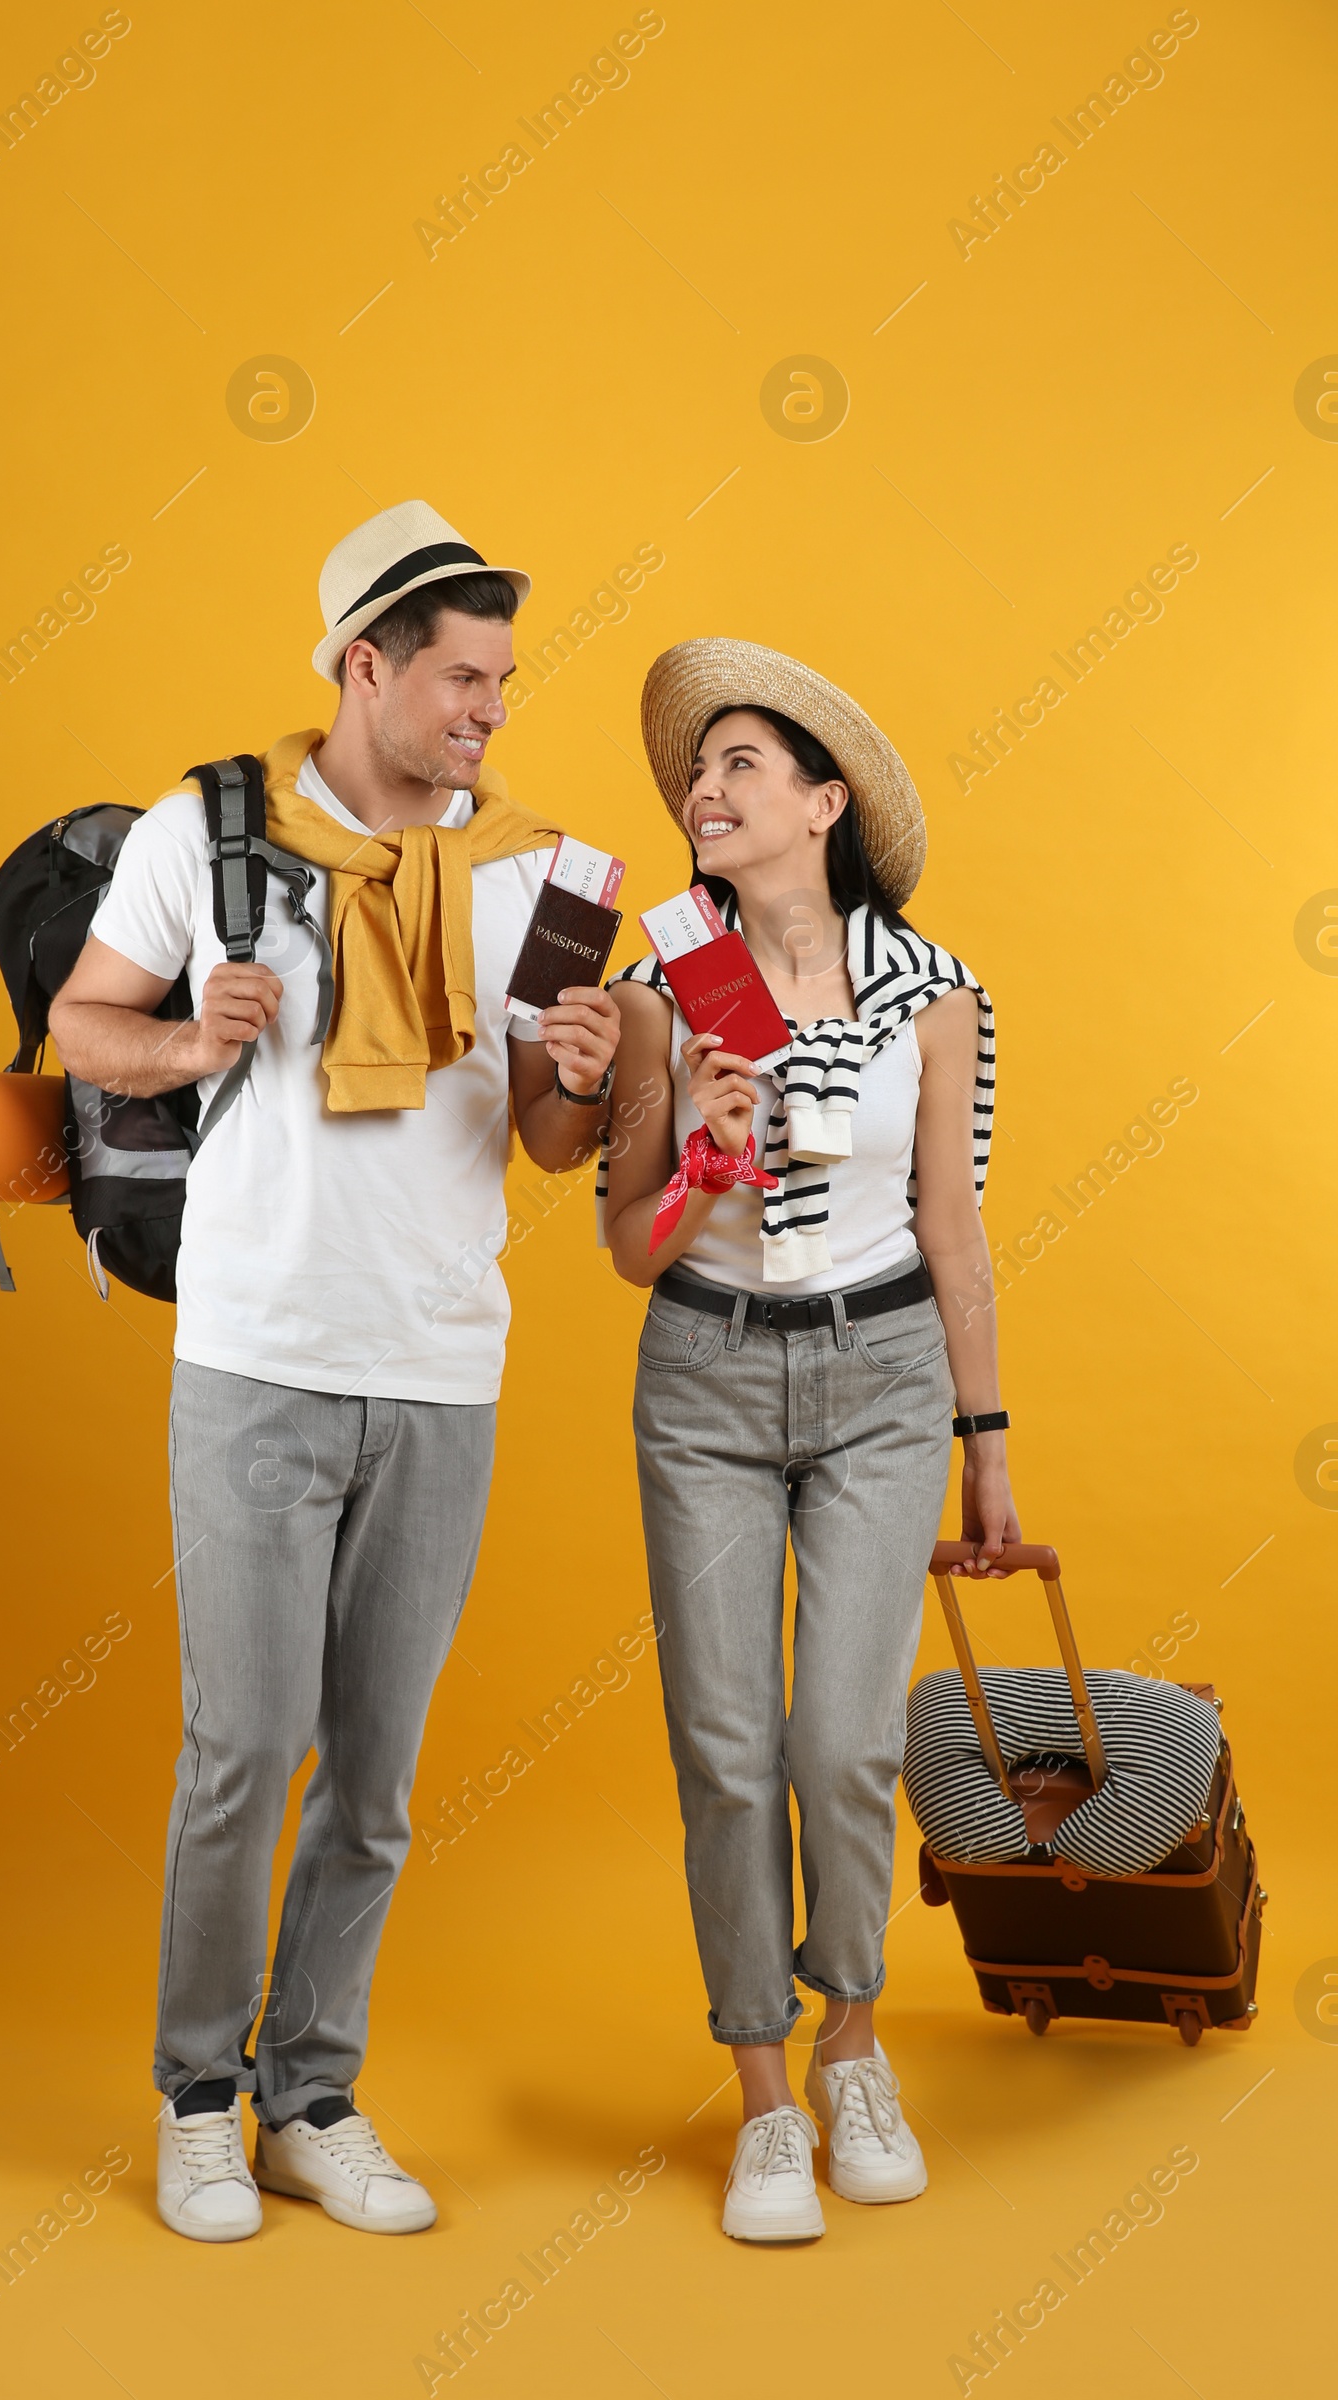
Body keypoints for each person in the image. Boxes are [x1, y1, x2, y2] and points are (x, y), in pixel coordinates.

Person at [50, 501, 620, 2242]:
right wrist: (180, 1035)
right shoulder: (204, 834)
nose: (490, 712)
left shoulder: (561, 875)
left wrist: (585, 1069)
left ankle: (314, 2092)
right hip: (258, 1353)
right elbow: (82, 1024)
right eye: (460, 677)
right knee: (244, 1750)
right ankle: (198, 2100)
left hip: (446, 1368)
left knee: (372, 1776)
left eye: (507, 680)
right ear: (362, 667)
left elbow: (541, 1139)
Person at [599, 639, 1016, 2242]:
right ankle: (766, 2096)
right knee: (724, 1750)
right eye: (697, 772)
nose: (704, 792)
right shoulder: (659, 993)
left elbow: (955, 1226)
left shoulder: (938, 994)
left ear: (825, 804)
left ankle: (854, 2038)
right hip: (704, 1382)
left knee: (842, 1743)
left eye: (740, 768)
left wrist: (985, 1439)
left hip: (888, 1380)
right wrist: (699, 1148)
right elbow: (631, 1243)